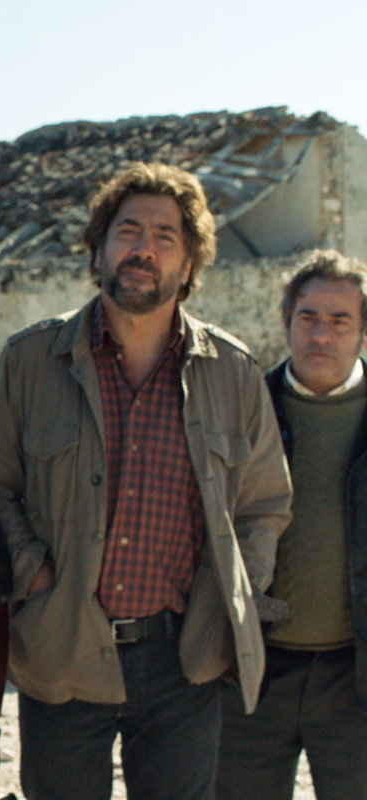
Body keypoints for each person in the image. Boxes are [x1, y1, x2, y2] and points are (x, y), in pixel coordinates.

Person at [0, 162, 292, 800]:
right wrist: (33, 573)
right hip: (63, 649)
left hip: (184, 659)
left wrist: (230, 602)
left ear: (189, 265)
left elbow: (265, 504)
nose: (144, 248)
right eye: (128, 231)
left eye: (166, 237)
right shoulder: (31, 360)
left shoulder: (232, 372)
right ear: (98, 250)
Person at [217, 251, 367, 800]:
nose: (321, 335)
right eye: (308, 317)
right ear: (287, 322)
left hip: (355, 679)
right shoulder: (244, 412)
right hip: (253, 673)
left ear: (363, 333)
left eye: (339, 320)